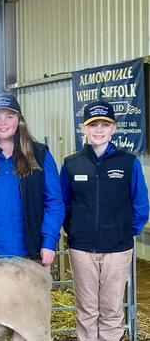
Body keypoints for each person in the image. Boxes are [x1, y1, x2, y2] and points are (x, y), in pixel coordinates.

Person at [60, 100, 149, 340]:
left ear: (113, 128)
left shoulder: (128, 163)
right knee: (86, 310)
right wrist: (75, 230)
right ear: (84, 129)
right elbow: (63, 204)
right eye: (93, 125)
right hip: (82, 249)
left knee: (111, 310)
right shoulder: (71, 163)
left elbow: (141, 206)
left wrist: (123, 232)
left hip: (117, 250)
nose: (99, 130)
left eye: (105, 124)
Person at [0, 93, 64, 266]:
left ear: (19, 120)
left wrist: (49, 242)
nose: (3, 122)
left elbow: (54, 202)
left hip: (31, 253)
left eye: (9, 116)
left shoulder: (39, 155)